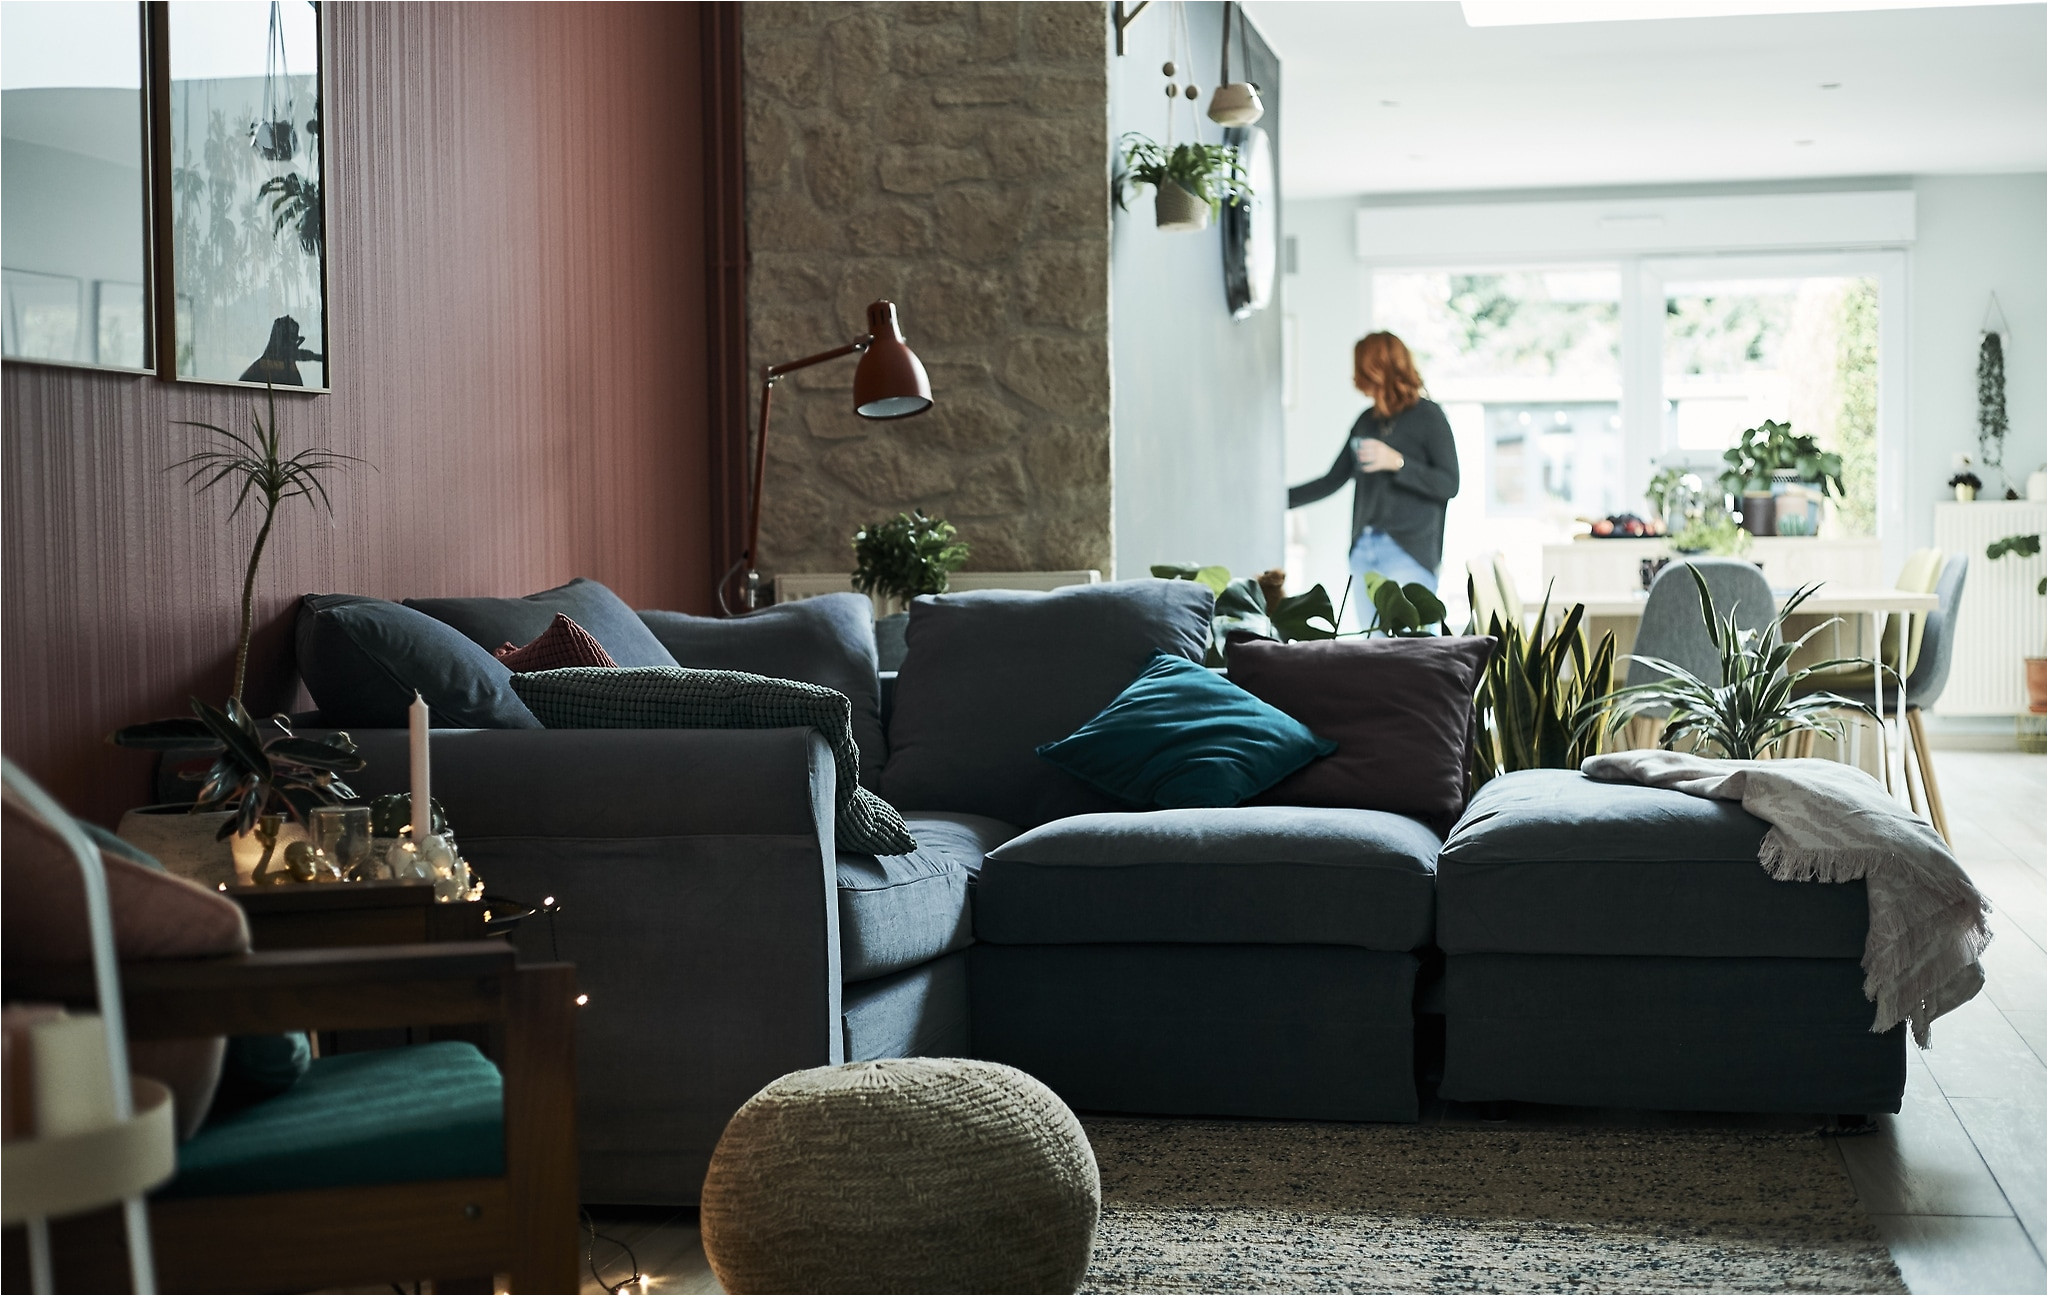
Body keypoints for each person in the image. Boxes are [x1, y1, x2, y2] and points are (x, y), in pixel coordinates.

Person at [1288, 331, 1459, 593]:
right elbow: (1332, 480)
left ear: (1377, 369)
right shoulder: (1366, 421)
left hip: (1409, 552)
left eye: (1360, 367)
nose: (1354, 376)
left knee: (1413, 636)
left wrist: (1398, 463)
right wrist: (1276, 500)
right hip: (1364, 552)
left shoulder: (1429, 416)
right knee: (1372, 636)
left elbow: (1449, 484)